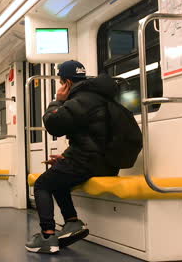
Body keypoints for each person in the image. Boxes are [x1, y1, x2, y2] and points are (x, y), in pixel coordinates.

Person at [25, 60, 119, 254]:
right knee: (58, 179)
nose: (61, 87)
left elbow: (53, 124)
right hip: (105, 162)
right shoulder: (97, 97)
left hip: (88, 162)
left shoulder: (81, 99)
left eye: (61, 83)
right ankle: (71, 222)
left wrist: (57, 101)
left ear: (66, 82)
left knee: (42, 184)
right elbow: (90, 137)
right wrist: (65, 157)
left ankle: (47, 235)